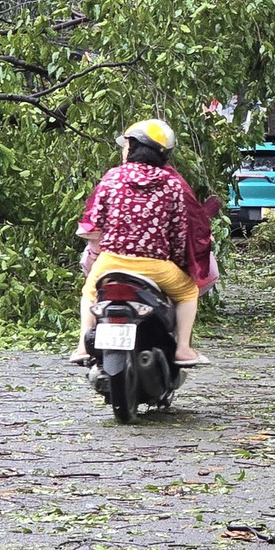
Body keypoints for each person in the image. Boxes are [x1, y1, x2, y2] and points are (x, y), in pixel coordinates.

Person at [72, 119, 203, 365]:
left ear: (133, 147)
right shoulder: (172, 184)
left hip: (111, 263)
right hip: (154, 266)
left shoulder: (112, 177)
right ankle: (183, 348)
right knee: (188, 291)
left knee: (89, 293)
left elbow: (96, 221)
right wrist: (179, 261)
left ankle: (81, 347)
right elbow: (178, 232)